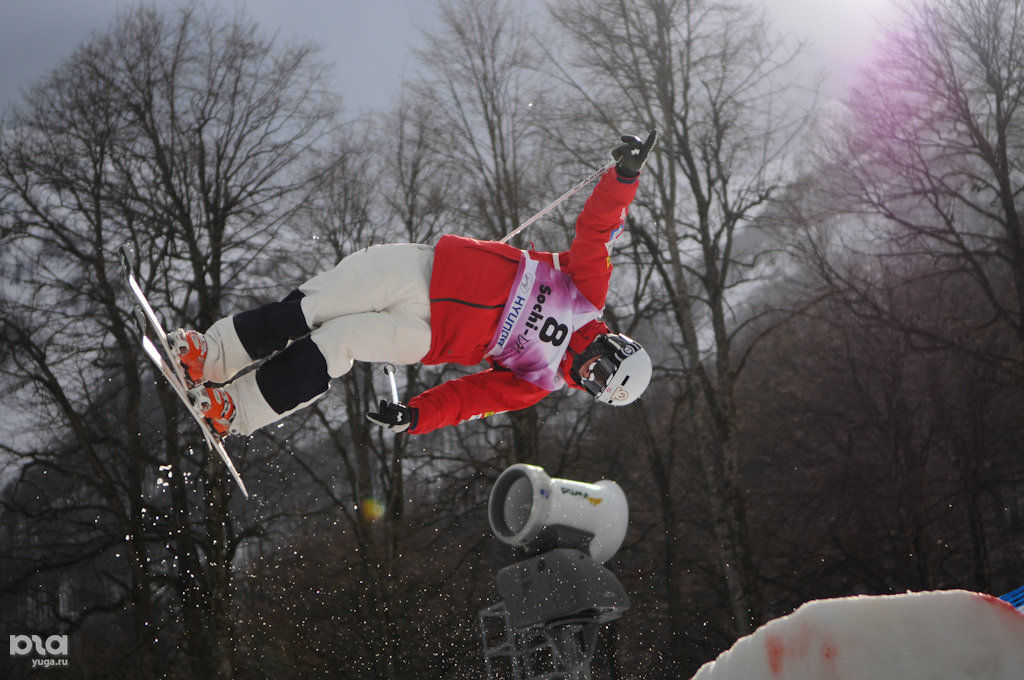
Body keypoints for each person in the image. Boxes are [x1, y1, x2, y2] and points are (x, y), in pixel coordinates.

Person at [169, 130, 658, 437]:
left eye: (594, 385)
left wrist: (417, 417)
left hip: (427, 335)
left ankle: (235, 410)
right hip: (425, 270)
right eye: (600, 368)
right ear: (614, 345)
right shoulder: (587, 294)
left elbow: (469, 400)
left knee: (338, 342)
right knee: (314, 306)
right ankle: (211, 356)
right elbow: (597, 231)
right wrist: (624, 178)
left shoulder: (540, 381)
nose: (587, 373)